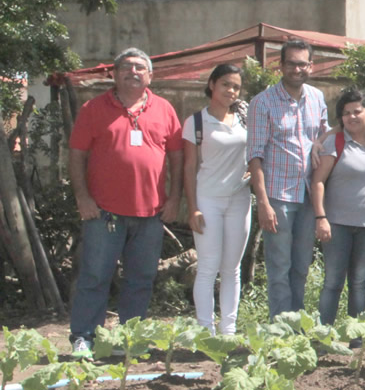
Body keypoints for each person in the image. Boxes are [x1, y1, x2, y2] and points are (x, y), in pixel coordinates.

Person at [67, 47, 182, 354]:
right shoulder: (93, 108)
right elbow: (77, 155)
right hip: (103, 212)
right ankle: (84, 337)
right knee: (95, 276)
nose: (134, 72)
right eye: (127, 67)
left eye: (140, 68)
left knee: (141, 279)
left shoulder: (165, 109)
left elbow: (177, 157)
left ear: (150, 76)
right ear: (114, 74)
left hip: (151, 213)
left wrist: (175, 198)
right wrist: (82, 197)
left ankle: (128, 340)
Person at [247, 38, 329, 318]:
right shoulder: (263, 103)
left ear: (311, 66)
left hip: (308, 196)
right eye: (291, 63)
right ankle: (279, 329)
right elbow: (255, 155)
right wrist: (263, 203)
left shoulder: (316, 98)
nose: (297, 69)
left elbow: (325, 133)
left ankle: (297, 325)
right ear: (280, 65)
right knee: (279, 267)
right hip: (278, 196)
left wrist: (319, 141)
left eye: (302, 64)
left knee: (301, 266)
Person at [183, 63, 252, 335]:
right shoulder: (196, 122)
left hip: (239, 200)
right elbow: (188, 168)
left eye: (236, 86)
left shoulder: (245, 120)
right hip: (208, 200)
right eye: (225, 84)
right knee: (208, 267)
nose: (231, 91)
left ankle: (228, 331)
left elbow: (257, 153)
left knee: (232, 269)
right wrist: (193, 209)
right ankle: (205, 331)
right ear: (212, 84)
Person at [310, 89, 365, 325]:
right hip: (337, 225)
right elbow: (318, 182)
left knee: (359, 282)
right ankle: (325, 336)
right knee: (333, 282)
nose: (351, 117)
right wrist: (320, 217)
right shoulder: (337, 141)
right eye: (345, 113)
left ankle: (356, 339)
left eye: (357, 111)